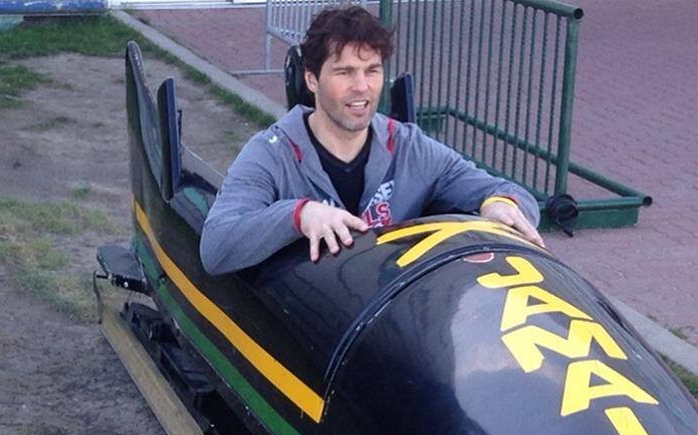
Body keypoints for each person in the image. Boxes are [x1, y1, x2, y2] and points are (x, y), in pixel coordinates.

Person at [199, 5, 543, 276]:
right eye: (344, 72)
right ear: (312, 80)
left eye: (372, 71)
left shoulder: (408, 146)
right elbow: (216, 246)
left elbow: (504, 192)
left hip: (389, 320)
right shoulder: (271, 153)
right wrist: (299, 215)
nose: (362, 87)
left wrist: (501, 205)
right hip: (309, 324)